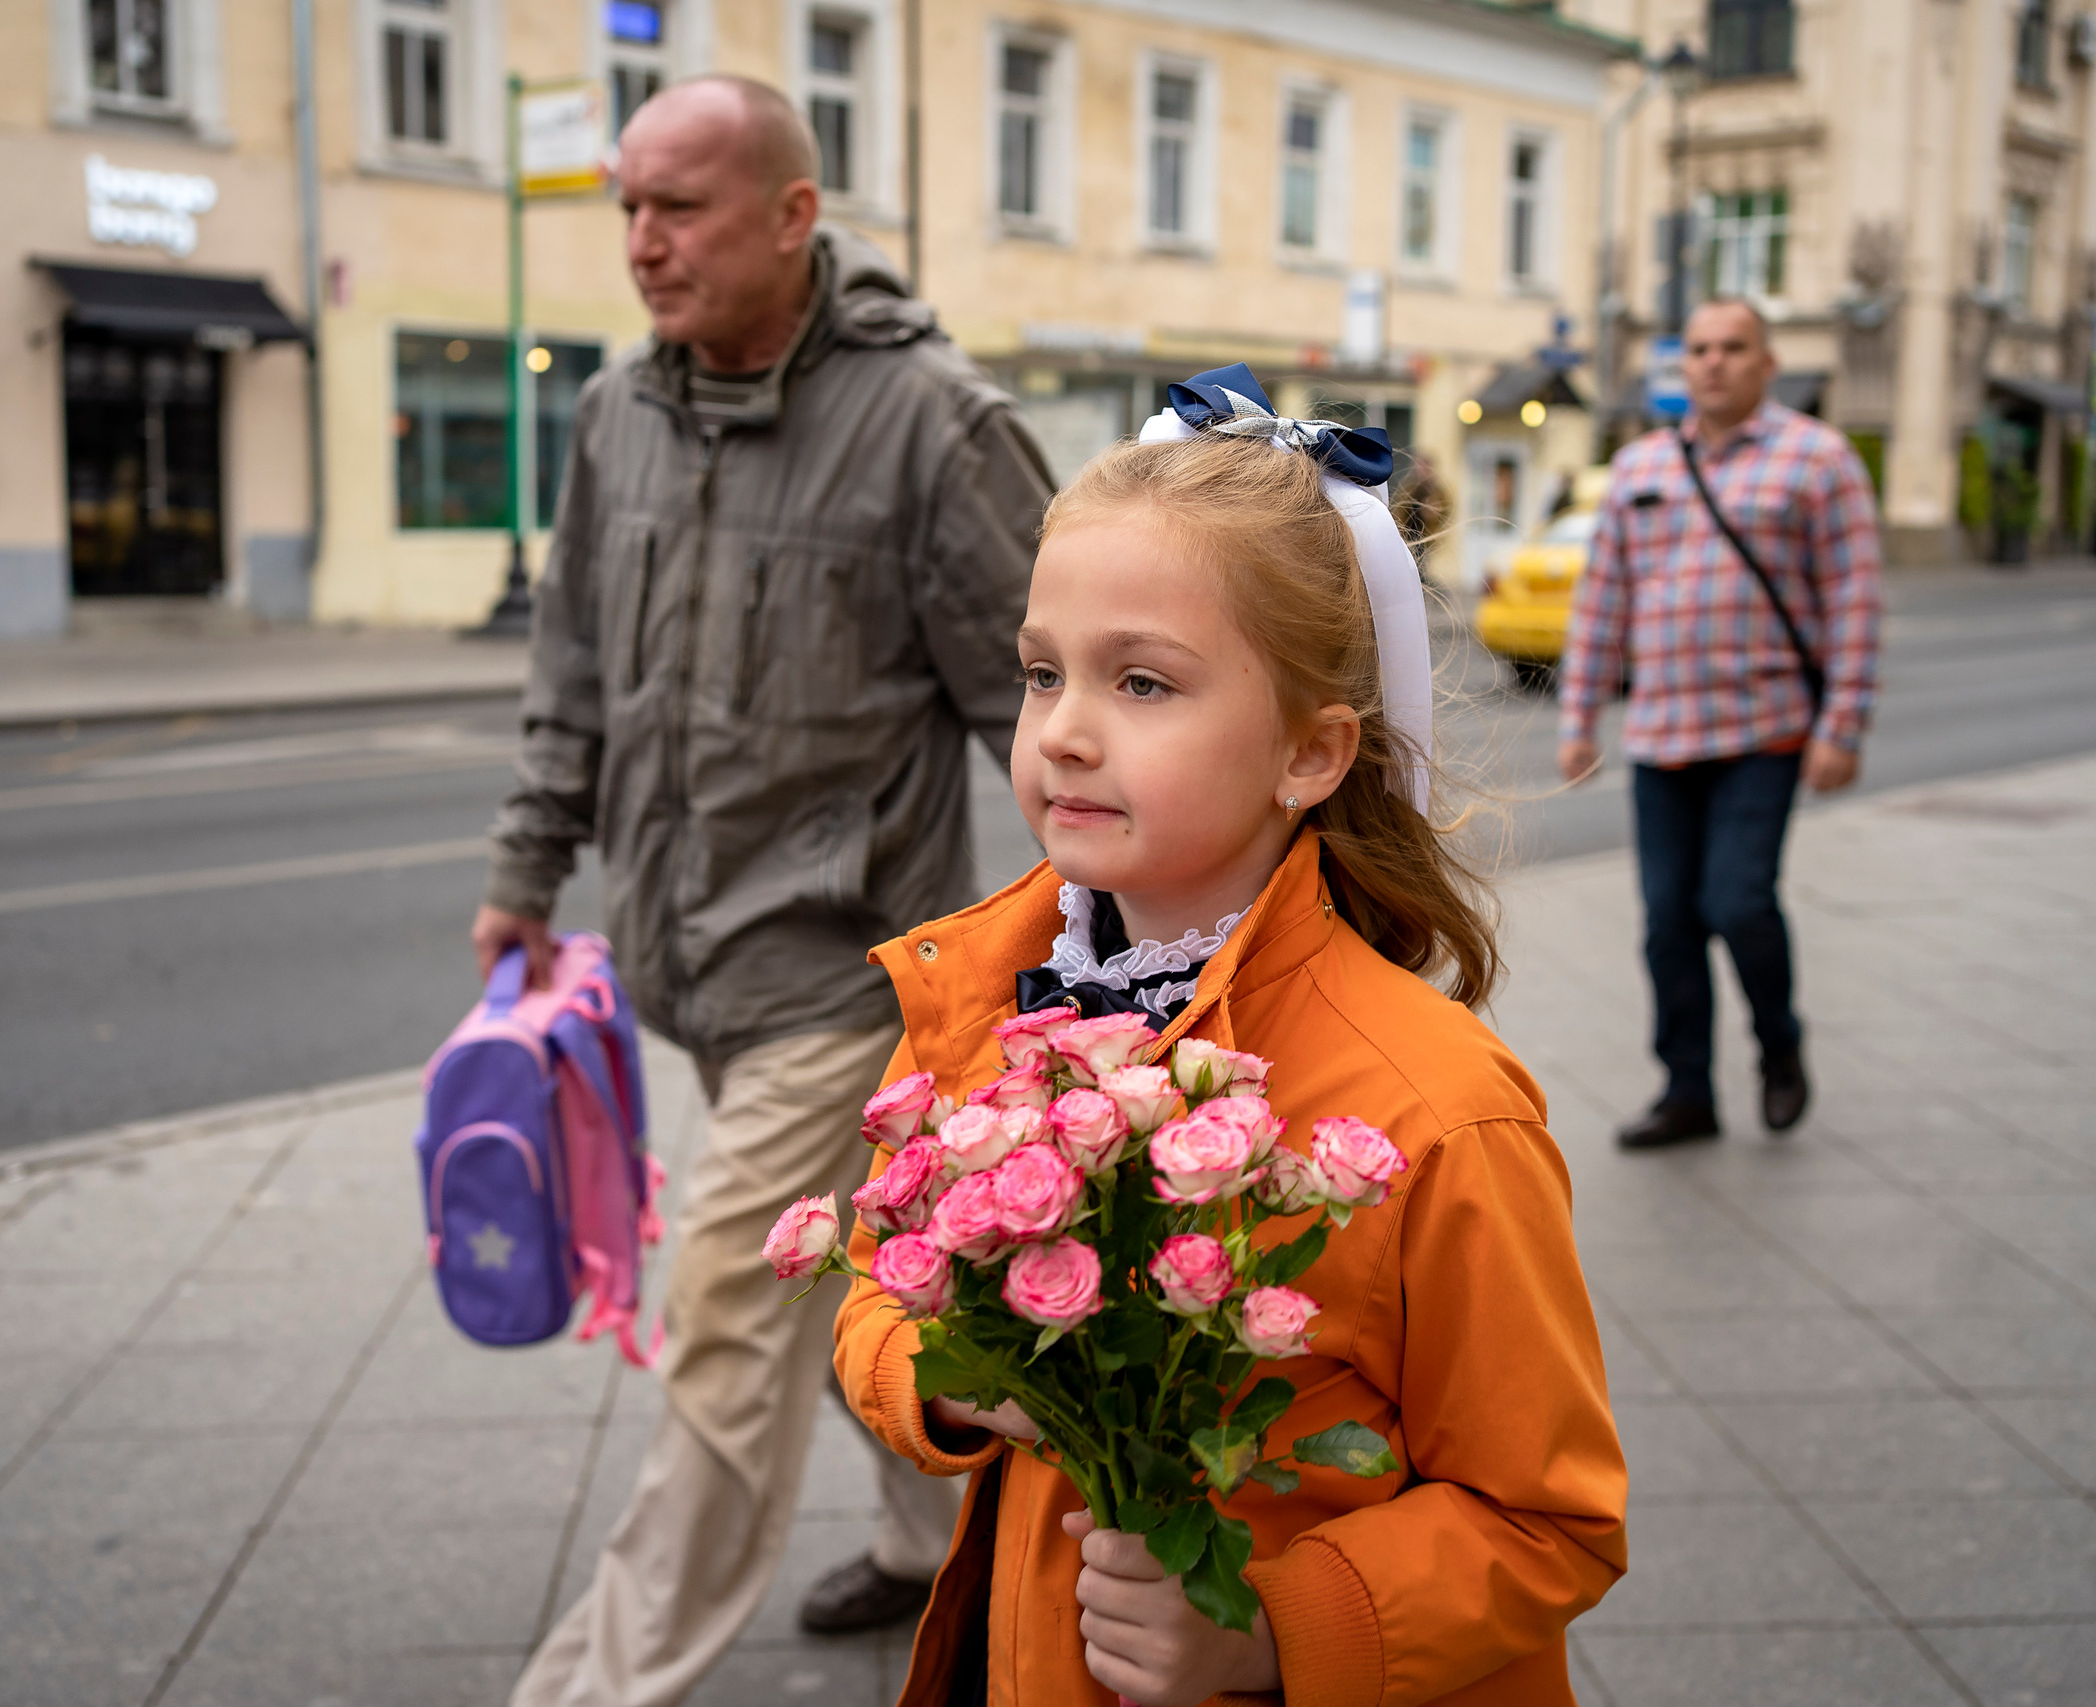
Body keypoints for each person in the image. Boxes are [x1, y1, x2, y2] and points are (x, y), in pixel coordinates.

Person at [833, 371, 1628, 1706]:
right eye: (1042, 673)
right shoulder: (983, 1002)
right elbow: (875, 1283)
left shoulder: (1438, 1110)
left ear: (1310, 753)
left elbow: (1547, 1517)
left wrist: (1264, 1631)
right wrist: (960, 1381)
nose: (1063, 731)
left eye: (1142, 681)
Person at [477, 76, 1051, 1707]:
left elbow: (1053, 703)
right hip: (697, 962)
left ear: (795, 215)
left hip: (847, 968)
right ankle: (936, 1540)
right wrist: (528, 862)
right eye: (628, 207)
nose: (643, 243)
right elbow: (572, 664)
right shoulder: (618, 413)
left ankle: (601, 1681)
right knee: (880, 1258)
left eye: (681, 206)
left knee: (731, 1296)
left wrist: (1107, 944)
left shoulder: (932, 425)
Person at [1555, 298, 1883, 1149]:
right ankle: (1687, 1089)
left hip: (1764, 730)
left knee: (1737, 901)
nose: (1714, 362)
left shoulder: (1820, 460)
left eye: (1734, 347)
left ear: (1767, 364)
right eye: (1700, 348)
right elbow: (1603, 601)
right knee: (1668, 924)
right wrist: (1579, 716)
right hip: (1662, 736)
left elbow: (1854, 598)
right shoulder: (1641, 466)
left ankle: (1780, 1045)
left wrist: (1843, 726)